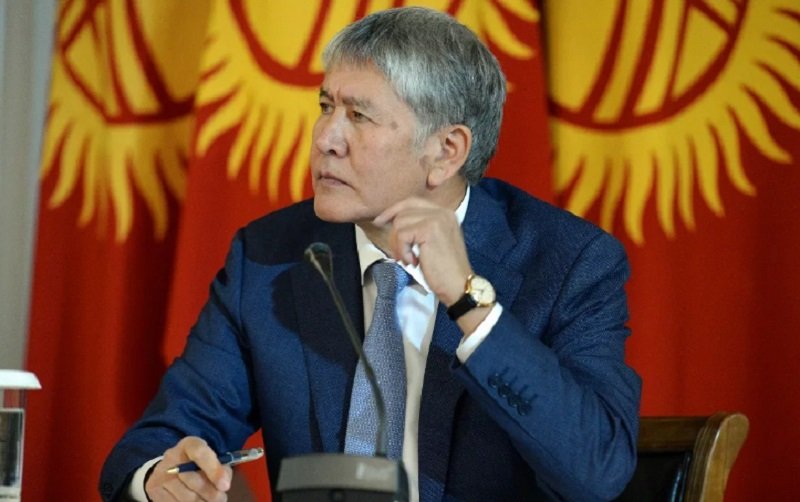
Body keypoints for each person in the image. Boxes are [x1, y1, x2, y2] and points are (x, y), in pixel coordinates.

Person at [100, 7, 641, 501]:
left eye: (358, 116)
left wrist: (470, 304)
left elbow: (597, 469)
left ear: (446, 151)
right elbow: (161, 439)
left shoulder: (569, 263)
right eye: (326, 106)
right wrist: (160, 479)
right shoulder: (270, 258)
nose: (325, 138)